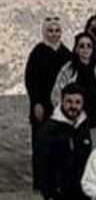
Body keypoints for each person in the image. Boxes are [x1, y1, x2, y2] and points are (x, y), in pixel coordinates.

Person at [35, 85, 94, 200]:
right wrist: (50, 196)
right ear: (62, 101)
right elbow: (41, 165)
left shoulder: (85, 126)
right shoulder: (49, 130)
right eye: (69, 101)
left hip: (81, 198)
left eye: (77, 102)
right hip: (59, 199)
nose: (73, 106)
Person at [25, 16, 71, 183]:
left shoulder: (66, 54)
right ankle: (40, 182)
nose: (54, 34)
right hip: (41, 106)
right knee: (41, 144)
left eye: (57, 31)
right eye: (50, 31)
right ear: (44, 32)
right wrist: (36, 102)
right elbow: (31, 80)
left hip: (61, 107)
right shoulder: (37, 53)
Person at [51, 32, 96, 142]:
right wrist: (65, 114)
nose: (85, 49)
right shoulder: (68, 70)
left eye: (89, 46)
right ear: (76, 49)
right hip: (74, 120)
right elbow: (56, 94)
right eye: (82, 46)